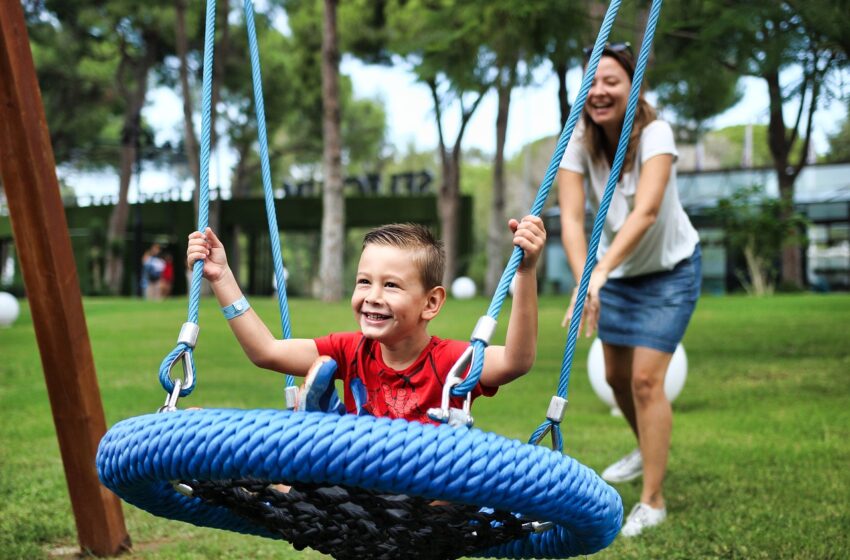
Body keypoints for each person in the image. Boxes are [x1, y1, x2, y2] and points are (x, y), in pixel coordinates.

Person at [186, 219, 546, 424]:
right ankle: (315, 423)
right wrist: (222, 277)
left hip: (425, 499)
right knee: (286, 475)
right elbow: (266, 351)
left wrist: (526, 273)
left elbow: (516, 361)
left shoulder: (452, 363)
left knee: (452, 480)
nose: (372, 296)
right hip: (360, 494)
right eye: (363, 282)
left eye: (390, 285)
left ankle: (321, 423)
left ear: (431, 303)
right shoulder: (348, 351)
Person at [557, 42, 701, 537]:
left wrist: (600, 272)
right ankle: (647, 446)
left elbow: (646, 212)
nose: (599, 92)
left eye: (611, 81)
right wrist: (585, 281)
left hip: (670, 271)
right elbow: (572, 220)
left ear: (633, 87)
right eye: (592, 82)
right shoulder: (578, 139)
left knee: (644, 381)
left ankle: (653, 500)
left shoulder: (656, 133)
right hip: (615, 275)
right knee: (618, 380)